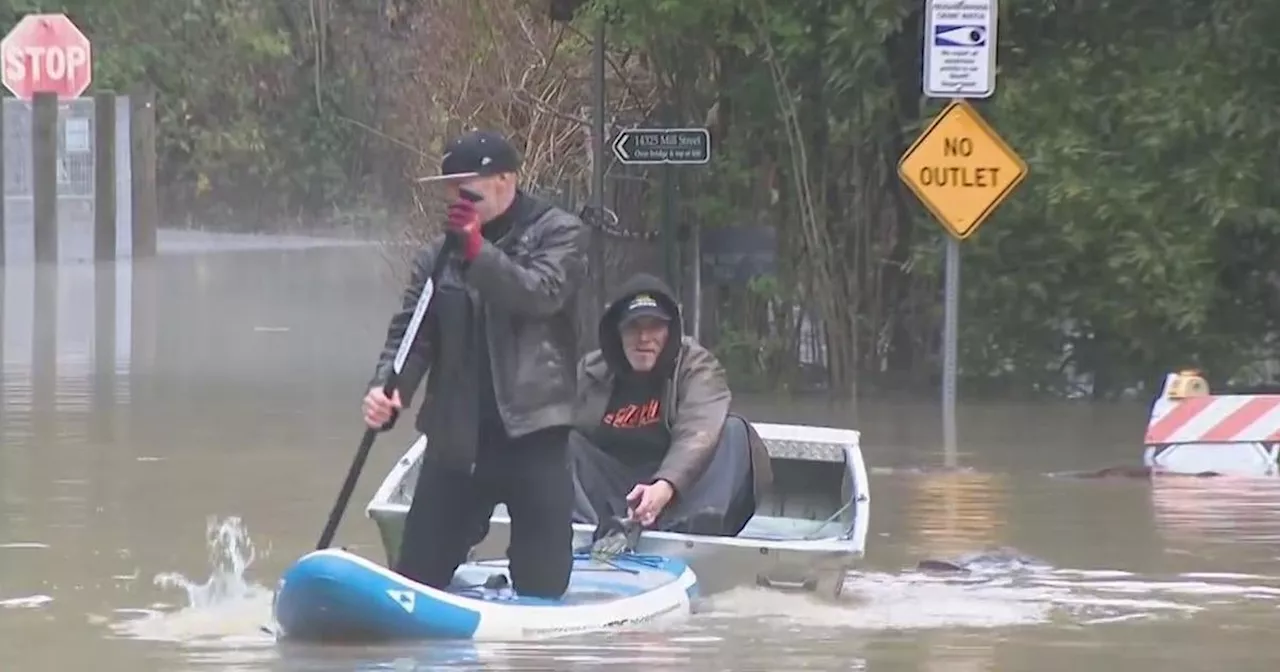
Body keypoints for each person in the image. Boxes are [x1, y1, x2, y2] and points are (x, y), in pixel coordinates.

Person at [361, 129, 587, 598]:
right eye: (449, 187)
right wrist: (388, 388)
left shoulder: (561, 232)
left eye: (469, 186)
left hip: (534, 433)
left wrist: (476, 252)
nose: (455, 197)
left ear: (505, 180)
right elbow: (412, 334)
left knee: (544, 584)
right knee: (417, 577)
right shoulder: (436, 256)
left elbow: (538, 295)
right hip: (458, 440)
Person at [568, 273, 774, 536]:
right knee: (555, 441)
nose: (644, 337)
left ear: (671, 331)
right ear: (616, 331)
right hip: (614, 494)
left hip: (679, 495)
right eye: (633, 327)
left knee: (735, 431)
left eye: (654, 326)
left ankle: (690, 532)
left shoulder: (698, 366)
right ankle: (586, 534)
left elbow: (700, 429)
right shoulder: (589, 370)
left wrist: (665, 486)